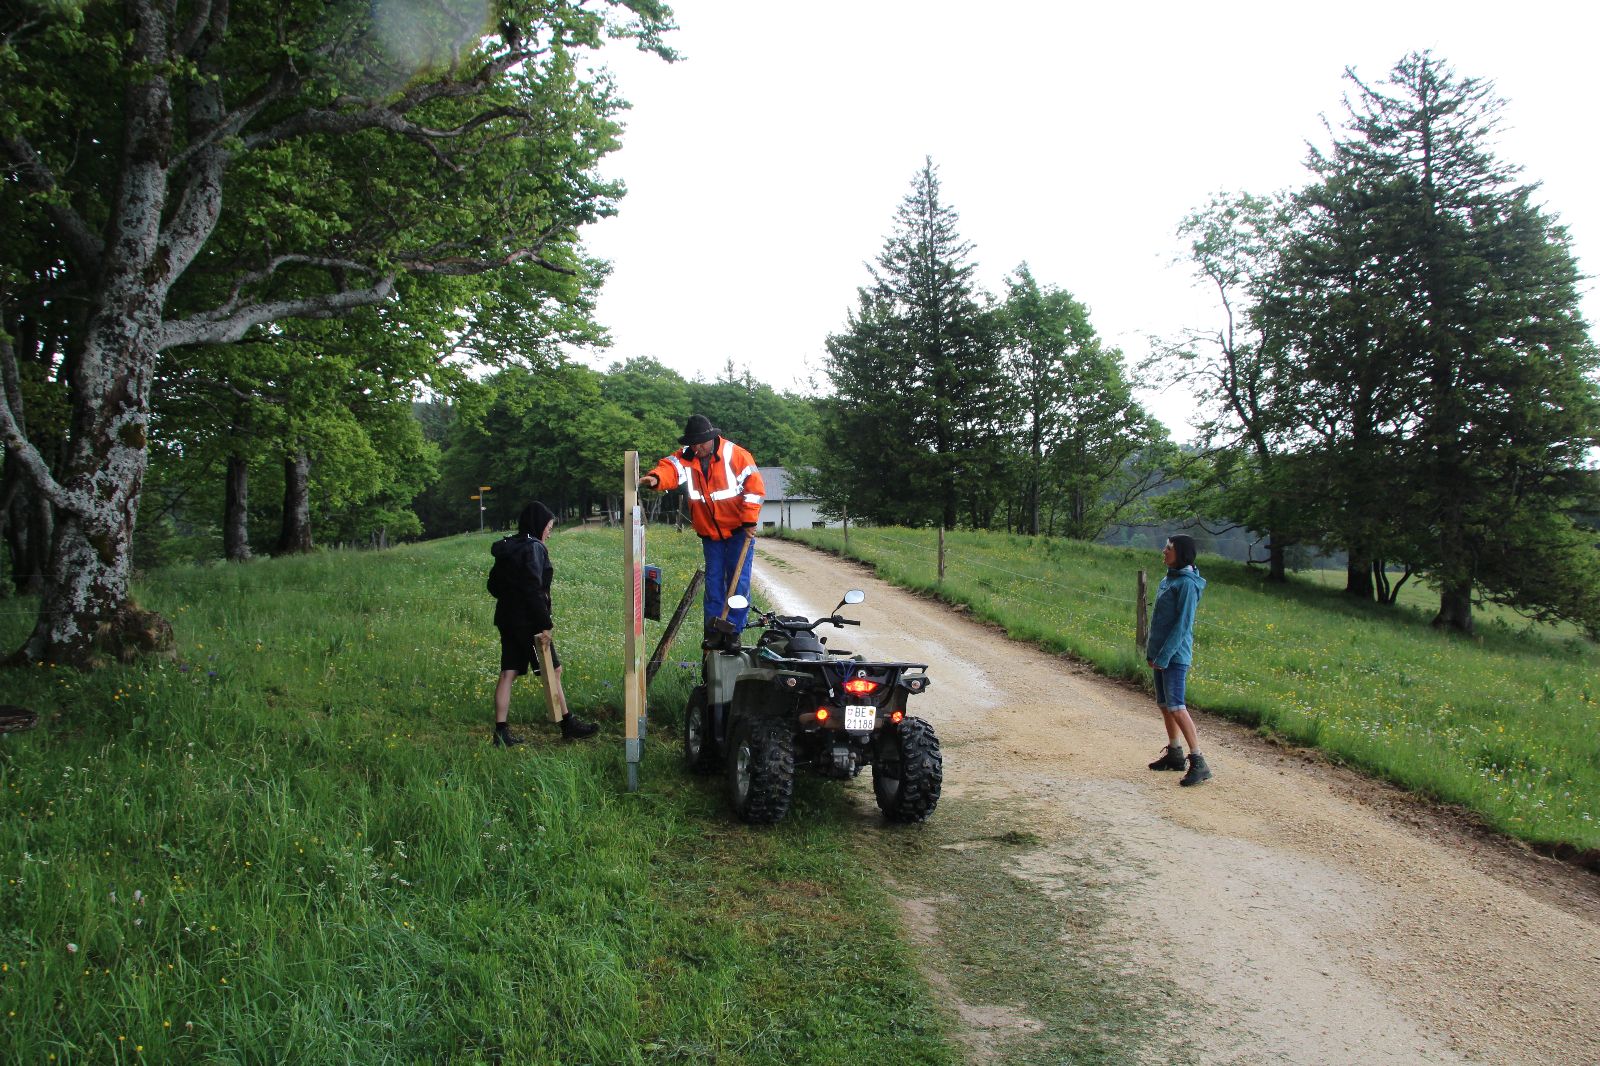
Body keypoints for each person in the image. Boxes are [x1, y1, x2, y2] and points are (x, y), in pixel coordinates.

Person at [638, 415, 766, 636]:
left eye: (701, 443)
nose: (697, 448)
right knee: (714, 583)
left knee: (738, 584)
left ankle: (734, 632)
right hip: (710, 535)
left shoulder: (736, 455)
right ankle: (713, 631)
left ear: (711, 438)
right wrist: (656, 479)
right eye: (693, 444)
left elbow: (754, 488)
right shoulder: (687, 456)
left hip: (738, 531)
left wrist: (749, 520)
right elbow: (670, 469)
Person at [489, 501, 598, 746]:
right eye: (549, 526)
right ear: (539, 524)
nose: (549, 531)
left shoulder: (508, 547)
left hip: (506, 618)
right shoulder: (535, 548)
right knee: (553, 670)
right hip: (529, 622)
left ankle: (501, 732)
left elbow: (493, 587)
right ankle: (567, 724)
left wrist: (511, 600)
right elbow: (534, 589)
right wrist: (544, 624)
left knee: (508, 671)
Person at [1146, 533, 1212, 786]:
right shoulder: (1170, 578)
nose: (1164, 551)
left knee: (1176, 706)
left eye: (1169, 548)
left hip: (1174, 656)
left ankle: (1198, 761)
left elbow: (1182, 625)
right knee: (1164, 704)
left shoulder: (1186, 584)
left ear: (1180, 553)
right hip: (1161, 654)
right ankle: (1175, 754)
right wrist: (1154, 653)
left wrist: (1163, 656)